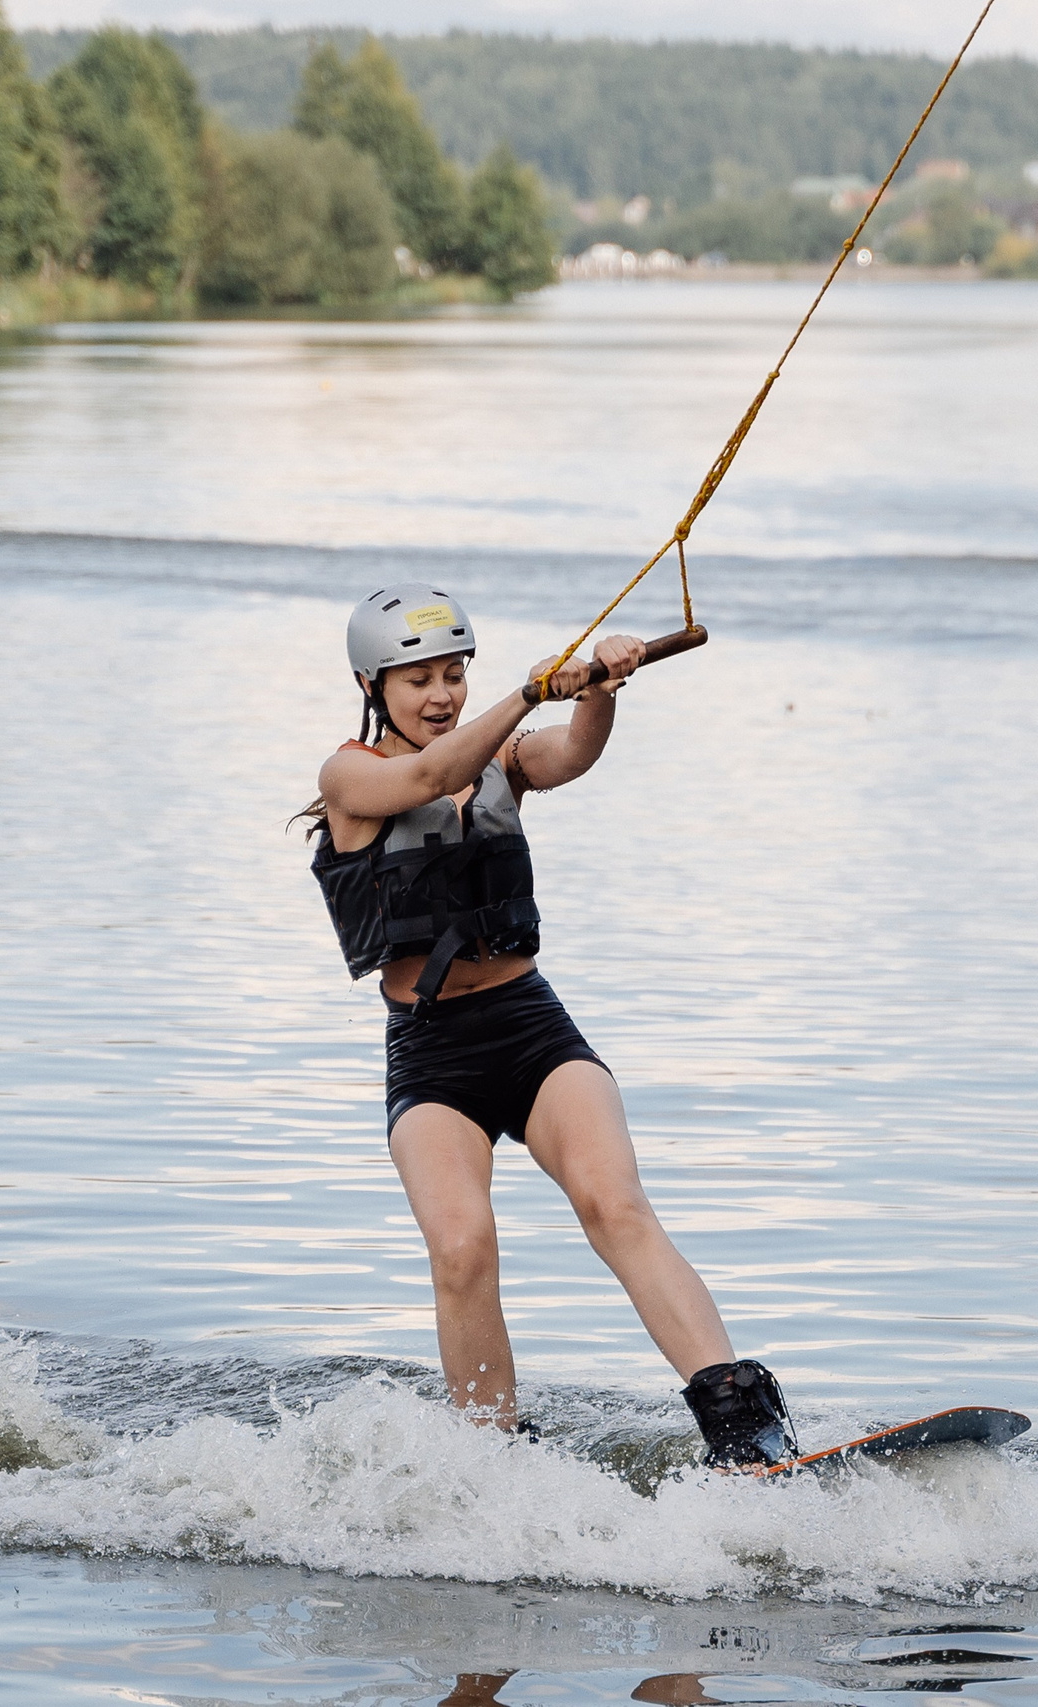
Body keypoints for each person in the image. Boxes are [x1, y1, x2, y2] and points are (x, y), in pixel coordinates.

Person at [298, 585, 796, 1467]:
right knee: (462, 1245)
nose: (442, 694)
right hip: (431, 1052)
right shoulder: (351, 776)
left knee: (617, 1205)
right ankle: (492, 1457)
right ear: (372, 684)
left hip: (530, 1026)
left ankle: (743, 1428)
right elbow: (428, 775)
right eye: (419, 680)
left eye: (455, 674)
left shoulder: (503, 760)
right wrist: (527, 691)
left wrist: (601, 687)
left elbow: (570, 753)